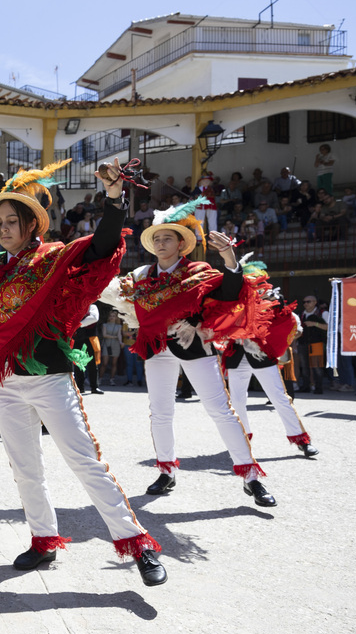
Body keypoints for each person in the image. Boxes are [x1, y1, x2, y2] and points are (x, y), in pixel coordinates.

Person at [0, 158, 166, 585]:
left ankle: (138, 544)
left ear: (31, 225)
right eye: (0, 222)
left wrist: (115, 197)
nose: (4, 228)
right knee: (24, 466)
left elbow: (101, 248)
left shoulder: (54, 259)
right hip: (7, 382)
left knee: (85, 462)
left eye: (13, 221)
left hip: (49, 378)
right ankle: (43, 539)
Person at [106, 197, 279, 507]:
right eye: (156, 238)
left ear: (181, 244)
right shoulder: (143, 276)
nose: (160, 242)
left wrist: (228, 256)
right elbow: (125, 300)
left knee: (220, 411)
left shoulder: (198, 270)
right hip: (157, 347)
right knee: (160, 412)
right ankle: (166, 469)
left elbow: (229, 290)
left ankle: (251, 477)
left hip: (194, 346)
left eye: (166, 238)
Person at [223, 259, 318, 458]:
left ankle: (301, 440)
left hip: (262, 355)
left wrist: (280, 339)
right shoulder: (232, 299)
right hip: (236, 355)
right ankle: (242, 439)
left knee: (280, 398)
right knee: (237, 401)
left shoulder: (272, 300)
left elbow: (290, 323)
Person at [298, 294, 329, 394]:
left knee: (317, 366)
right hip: (303, 342)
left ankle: (318, 387)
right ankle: (306, 386)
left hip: (317, 342)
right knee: (304, 366)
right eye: (304, 302)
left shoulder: (323, 313)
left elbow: (329, 327)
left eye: (308, 301)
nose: (306, 304)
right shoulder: (301, 314)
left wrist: (314, 324)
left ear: (315, 302)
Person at [100, 309, 123, 384]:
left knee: (114, 363)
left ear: (116, 317)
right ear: (108, 317)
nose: (112, 317)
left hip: (115, 345)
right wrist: (114, 337)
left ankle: (112, 379)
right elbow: (104, 335)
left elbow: (119, 335)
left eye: (114, 316)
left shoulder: (119, 326)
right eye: (111, 316)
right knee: (104, 363)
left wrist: (120, 342)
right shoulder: (105, 325)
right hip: (107, 344)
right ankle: (100, 378)